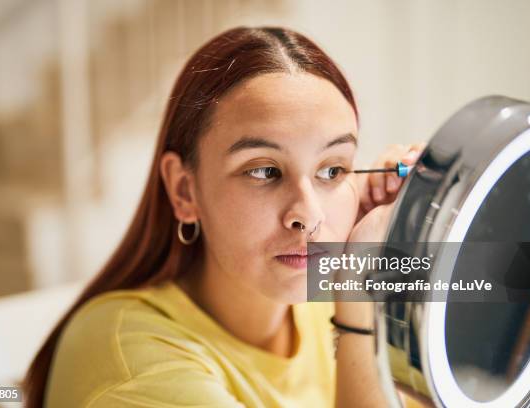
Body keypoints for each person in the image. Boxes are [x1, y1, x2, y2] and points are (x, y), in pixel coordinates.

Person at [23, 26, 424, 407]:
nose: (308, 215)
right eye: (264, 170)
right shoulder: (132, 360)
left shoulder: (317, 299)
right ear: (184, 190)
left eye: (332, 170)